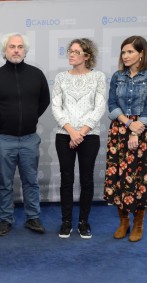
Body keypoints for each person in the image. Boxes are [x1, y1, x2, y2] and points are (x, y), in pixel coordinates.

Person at [0, 33, 50, 236]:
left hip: (30, 139)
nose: (16, 50)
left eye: (20, 47)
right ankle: (6, 219)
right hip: (3, 139)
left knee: (31, 181)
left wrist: (30, 117)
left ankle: (33, 218)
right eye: (12, 46)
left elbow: (44, 101)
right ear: (5, 50)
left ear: (25, 50)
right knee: (5, 182)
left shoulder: (37, 74)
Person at [104, 35, 147, 242]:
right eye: (123, 51)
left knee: (141, 178)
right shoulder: (118, 76)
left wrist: (136, 131)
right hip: (119, 131)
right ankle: (123, 221)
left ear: (141, 54)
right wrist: (128, 124)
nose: (125, 56)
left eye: (130, 52)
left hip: (142, 131)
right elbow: (111, 105)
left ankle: (138, 223)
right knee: (118, 177)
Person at [52, 38, 106, 239]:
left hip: (89, 136)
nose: (71, 54)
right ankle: (66, 221)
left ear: (87, 56)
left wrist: (80, 132)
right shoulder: (60, 78)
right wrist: (71, 132)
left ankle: (83, 221)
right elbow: (56, 107)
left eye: (75, 51)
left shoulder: (98, 77)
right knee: (66, 178)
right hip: (64, 135)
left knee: (87, 179)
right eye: (69, 51)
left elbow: (99, 107)